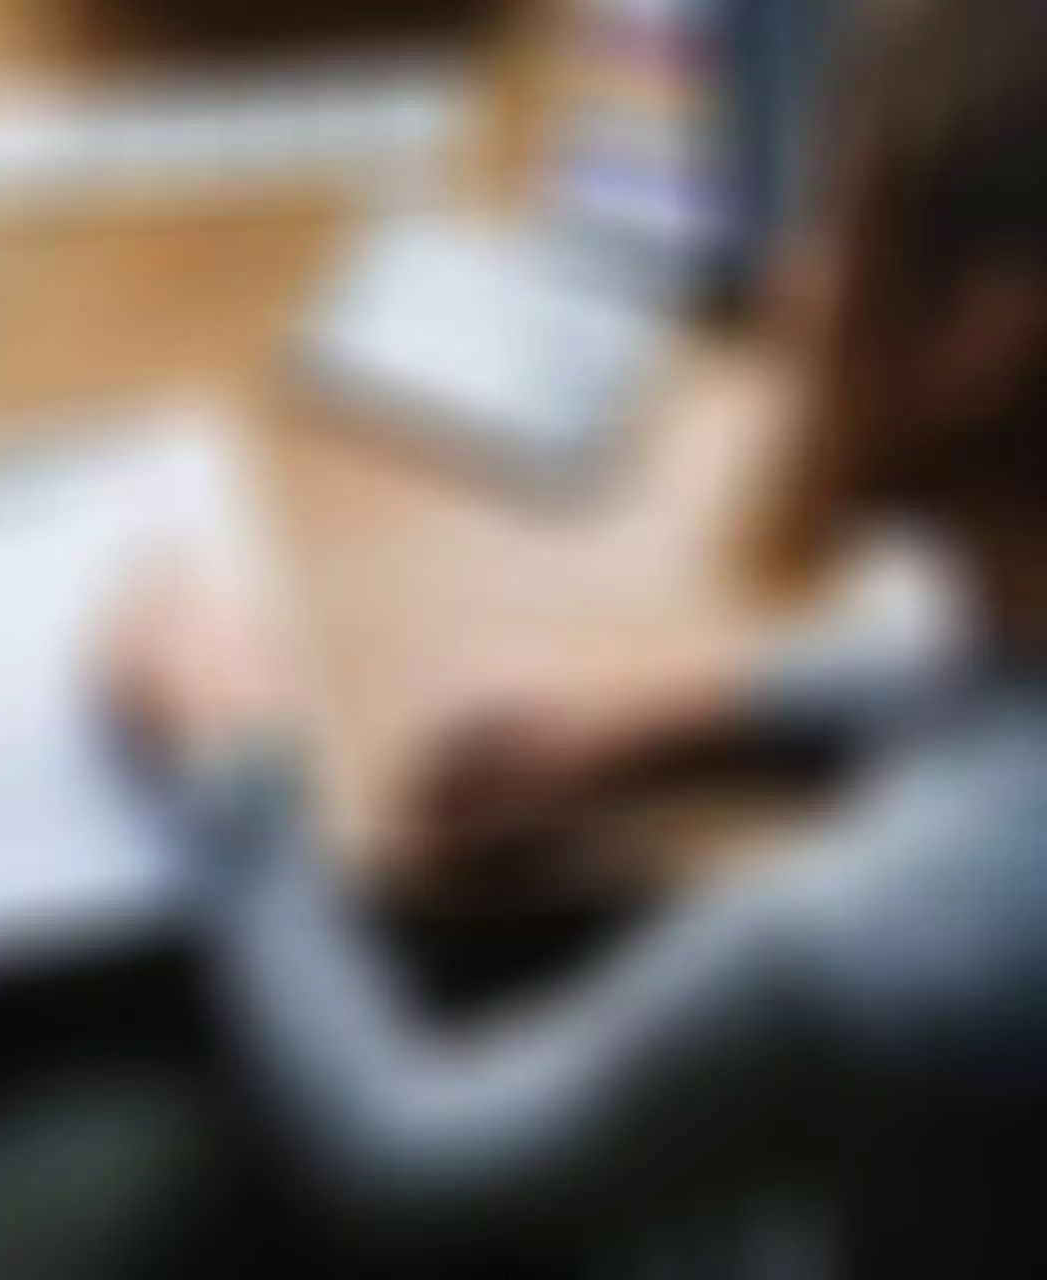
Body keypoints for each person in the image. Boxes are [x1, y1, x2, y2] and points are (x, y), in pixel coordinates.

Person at [110, 0, 1047, 1273]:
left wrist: (234, 764)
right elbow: (985, 679)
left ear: (989, 335)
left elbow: (412, 1162)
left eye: (838, 221)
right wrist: (668, 713)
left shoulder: (863, 945)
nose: (789, 288)